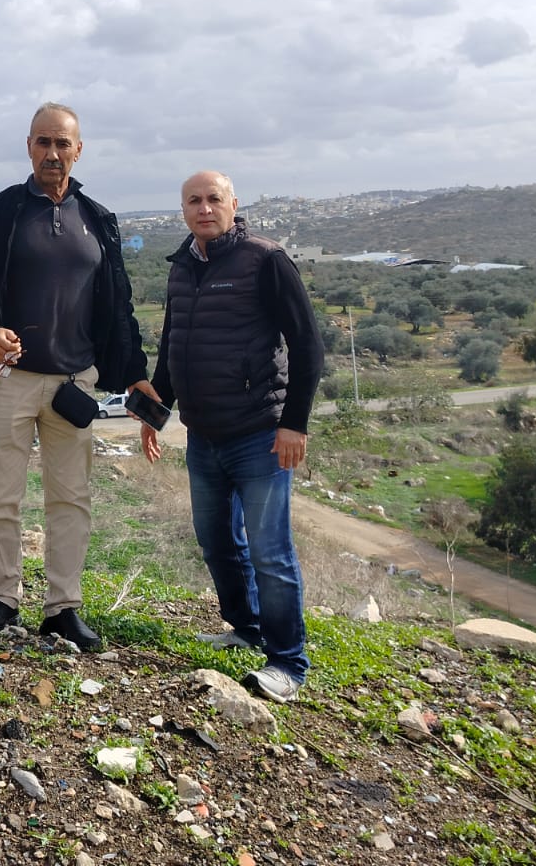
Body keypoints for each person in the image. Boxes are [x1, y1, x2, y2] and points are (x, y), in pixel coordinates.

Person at [0, 102, 157, 651]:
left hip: (74, 386)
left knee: (71, 499)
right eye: (43, 142)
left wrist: (134, 374)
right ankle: (2, 600)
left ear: (78, 150)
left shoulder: (98, 218)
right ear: (28, 147)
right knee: (0, 498)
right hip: (7, 379)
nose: (52, 153)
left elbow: (119, 305)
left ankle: (63, 608)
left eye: (62, 143)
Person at [141, 170, 325, 702]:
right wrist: (156, 416)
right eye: (194, 201)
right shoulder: (182, 268)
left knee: (271, 551)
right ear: (182, 210)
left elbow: (307, 346)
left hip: (260, 436)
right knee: (218, 541)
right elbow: (175, 348)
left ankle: (287, 662)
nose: (204, 208)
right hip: (204, 437)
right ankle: (244, 628)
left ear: (233, 204)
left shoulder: (265, 260)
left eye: (213, 199)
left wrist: (295, 423)